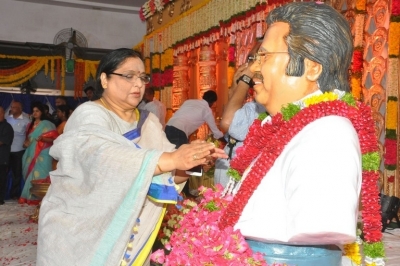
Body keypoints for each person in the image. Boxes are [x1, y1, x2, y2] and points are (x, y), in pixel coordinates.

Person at [37, 48, 227, 265]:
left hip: (132, 233)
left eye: (143, 77)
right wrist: (172, 159)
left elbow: (167, 177)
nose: (138, 84)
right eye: (129, 76)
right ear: (105, 80)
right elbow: (103, 158)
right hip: (80, 233)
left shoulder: (149, 123)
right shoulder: (89, 114)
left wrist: (196, 161)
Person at [216, 3, 366, 265]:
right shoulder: (279, 126)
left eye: (265, 57)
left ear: (311, 67)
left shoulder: (327, 134)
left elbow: (319, 225)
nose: (253, 71)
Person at [214, 43, 266, 187]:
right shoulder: (254, 101)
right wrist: (234, 89)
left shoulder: (265, 105)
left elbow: (228, 123)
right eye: (250, 58)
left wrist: (245, 79)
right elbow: (229, 131)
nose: (250, 65)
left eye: (256, 59)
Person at [19, 102, 58, 205]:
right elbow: (28, 140)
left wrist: (43, 138)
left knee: (41, 172)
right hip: (30, 153)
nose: (35, 113)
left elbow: (54, 139)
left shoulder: (47, 124)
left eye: (37, 111)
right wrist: (25, 144)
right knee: (30, 173)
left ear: (42, 112)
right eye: (33, 111)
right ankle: (29, 197)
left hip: (43, 153)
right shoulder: (30, 125)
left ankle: (41, 198)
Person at [6, 100, 30, 200]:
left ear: (20, 109)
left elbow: (29, 135)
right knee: (4, 172)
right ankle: (4, 193)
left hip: (19, 150)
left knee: (17, 173)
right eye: (11, 107)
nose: (12, 109)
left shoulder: (26, 120)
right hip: (6, 150)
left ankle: (14, 194)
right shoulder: (7, 119)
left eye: (14, 107)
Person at [0, 107, 14, 205]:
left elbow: (2, 142)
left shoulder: (7, 127)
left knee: (1, 179)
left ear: (2, 113)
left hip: (2, 158)